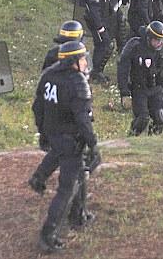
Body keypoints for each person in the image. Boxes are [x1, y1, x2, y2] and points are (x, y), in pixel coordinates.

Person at [30, 41, 100, 252]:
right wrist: (93, 144)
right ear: (73, 61)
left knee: (75, 170)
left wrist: (43, 132)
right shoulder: (77, 82)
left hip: (55, 134)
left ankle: (78, 214)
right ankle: (47, 235)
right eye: (82, 59)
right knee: (67, 189)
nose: (86, 62)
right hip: (70, 138)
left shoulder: (49, 74)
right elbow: (83, 119)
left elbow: (37, 107)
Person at [118, 21, 163, 136]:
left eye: (161, 41)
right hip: (139, 88)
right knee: (143, 118)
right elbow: (123, 68)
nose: (159, 44)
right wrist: (124, 92)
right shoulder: (135, 46)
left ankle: (152, 143)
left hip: (157, 88)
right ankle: (131, 139)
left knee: (159, 118)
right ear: (148, 38)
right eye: (156, 40)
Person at [84, 0, 115, 82]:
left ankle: (97, 71)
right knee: (104, 45)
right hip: (96, 23)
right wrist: (100, 27)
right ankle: (96, 72)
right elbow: (94, 9)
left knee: (103, 45)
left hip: (102, 21)